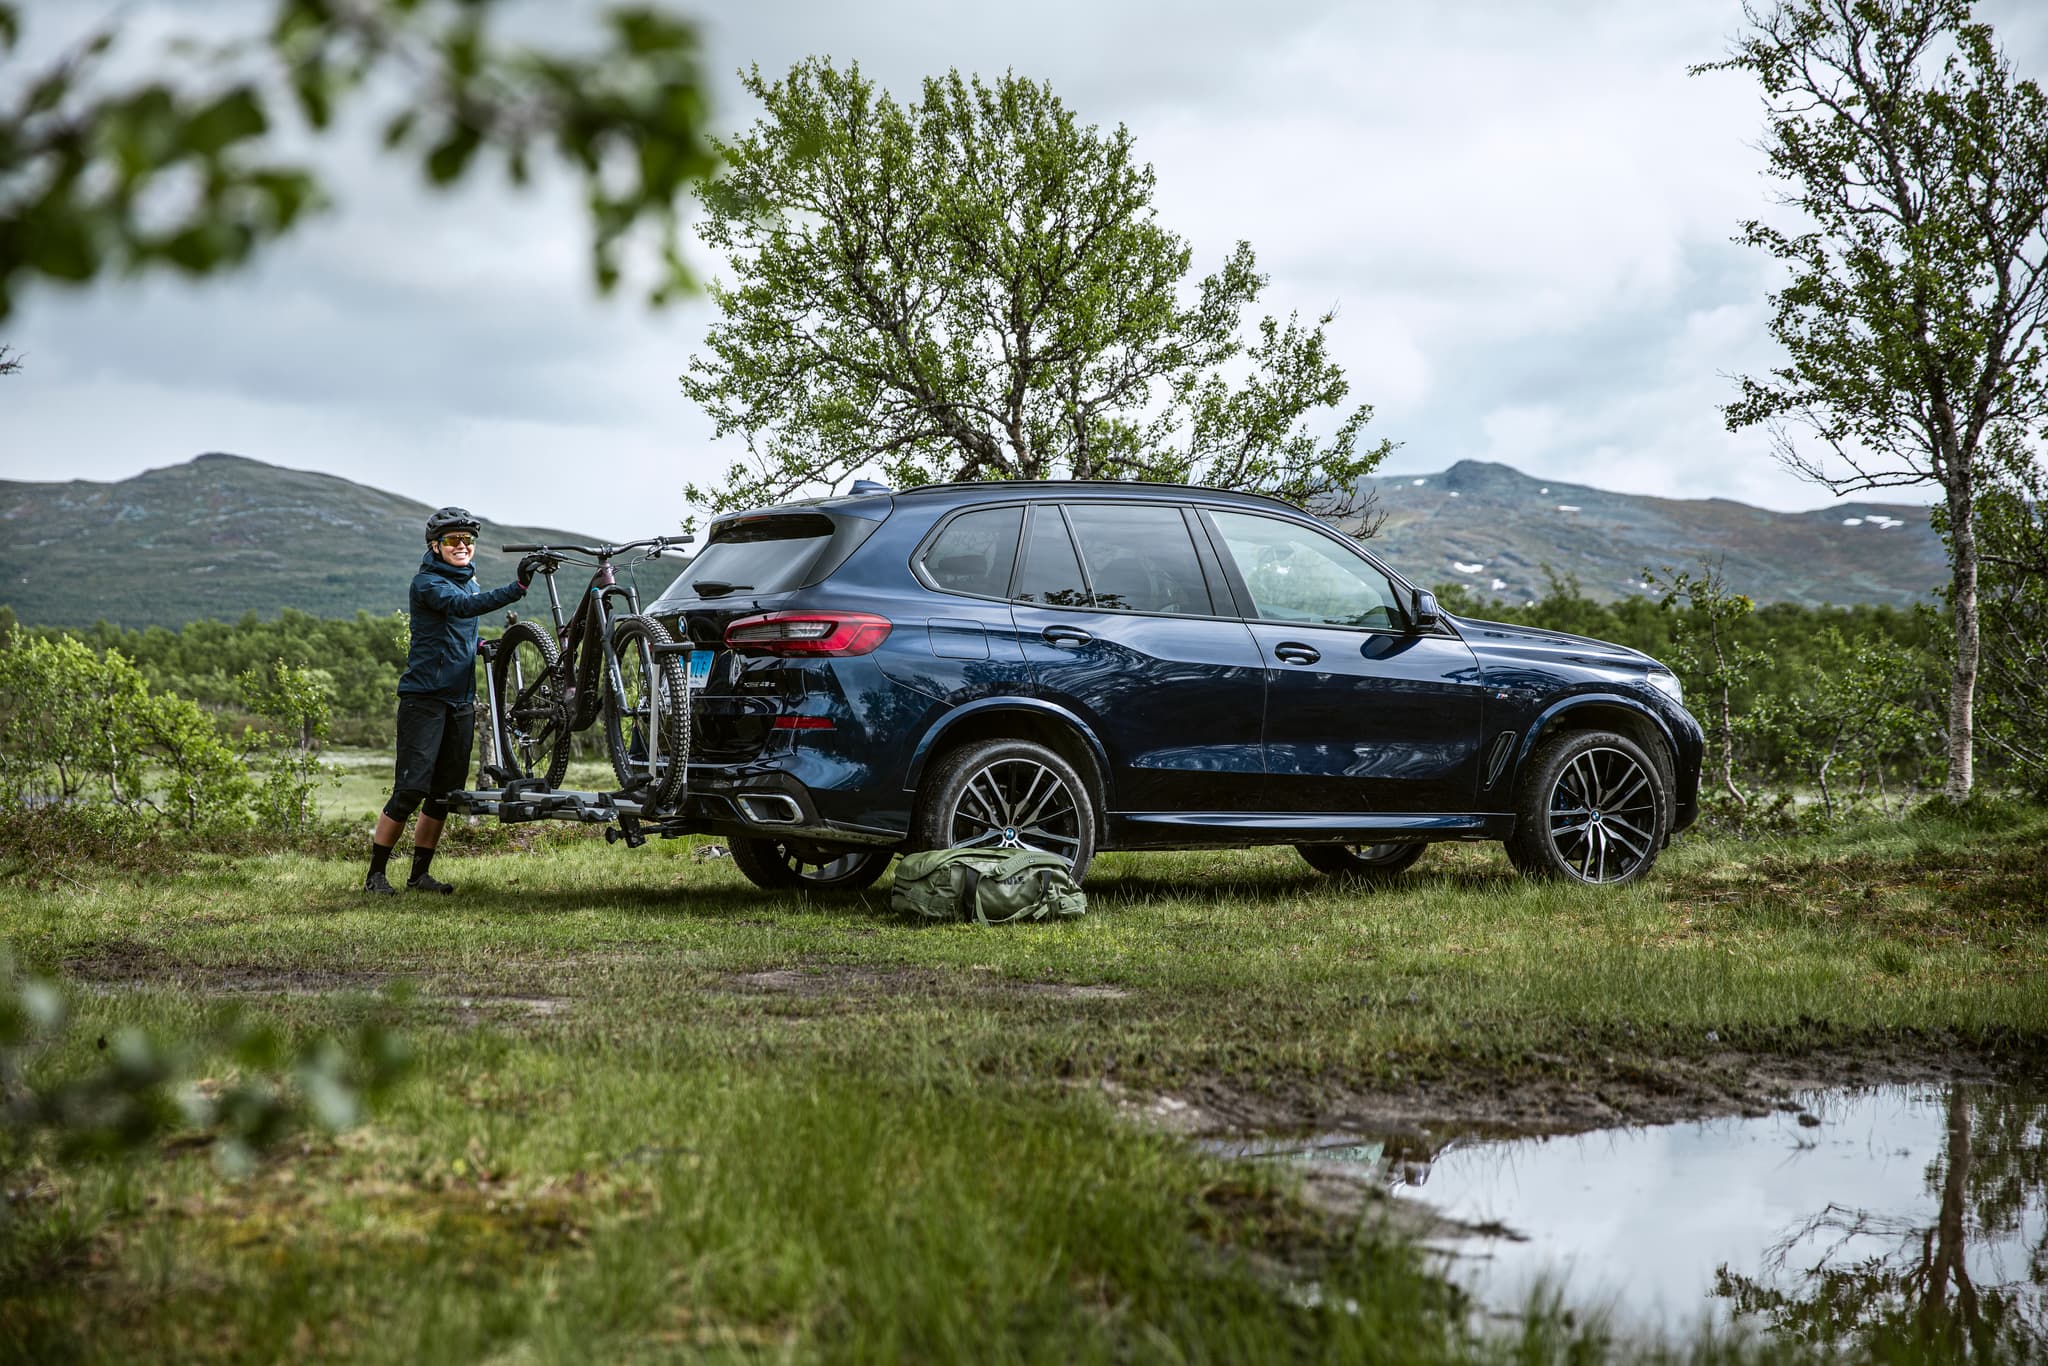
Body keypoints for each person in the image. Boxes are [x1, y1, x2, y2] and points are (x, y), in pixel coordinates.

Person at [364, 508, 538, 895]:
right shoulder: (427, 583)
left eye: (467, 540)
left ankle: (418, 877)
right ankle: (375, 875)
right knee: (409, 790)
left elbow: (456, 628)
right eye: (452, 540)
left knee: (443, 795)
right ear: (434, 545)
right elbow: (459, 610)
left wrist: (477, 646)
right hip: (423, 698)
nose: (461, 546)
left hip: (459, 699)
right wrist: (518, 587)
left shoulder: (468, 583)